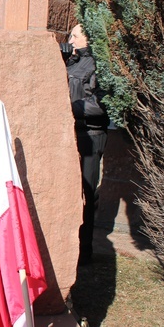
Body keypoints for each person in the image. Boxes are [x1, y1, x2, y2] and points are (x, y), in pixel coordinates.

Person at [65, 24, 109, 266]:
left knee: (87, 192)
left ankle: (85, 250)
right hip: (72, 133)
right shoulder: (73, 61)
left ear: (88, 38)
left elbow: (101, 104)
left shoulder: (98, 64)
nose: (70, 40)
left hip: (91, 135)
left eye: (75, 36)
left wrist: (69, 108)